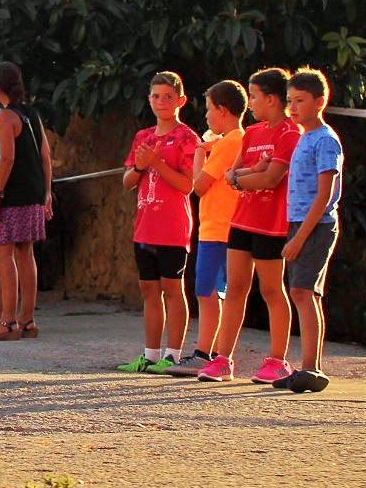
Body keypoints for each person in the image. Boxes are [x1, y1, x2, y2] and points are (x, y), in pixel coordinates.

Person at [200, 68, 299, 384]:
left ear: (271, 99)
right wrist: (247, 175)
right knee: (235, 288)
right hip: (242, 220)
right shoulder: (252, 133)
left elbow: (272, 178)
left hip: (271, 224)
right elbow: (233, 174)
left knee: (271, 289)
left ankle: (277, 360)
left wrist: (245, 177)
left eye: (254, 96)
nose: (251, 103)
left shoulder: (289, 133)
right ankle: (222, 359)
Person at [117, 72, 198, 372]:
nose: (161, 102)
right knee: (149, 289)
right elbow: (127, 181)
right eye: (155, 96)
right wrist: (140, 166)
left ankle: (173, 354)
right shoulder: (143, 136)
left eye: (167, 96)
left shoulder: (188, 138)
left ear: (181, 100)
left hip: (173, 228)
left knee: (172, 289)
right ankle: (150, 355)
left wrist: (157, 163)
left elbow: (187, 185)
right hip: (145, 226)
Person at [166, 80, 246, 376]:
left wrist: (200, 154)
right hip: (221, 227)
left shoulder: (229, 141)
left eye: (210, 109)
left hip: (219, 229)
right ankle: (213, 353)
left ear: (223, 111)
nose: (208, 116)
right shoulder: (234, 139)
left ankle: (205, 353)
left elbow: (198, 186)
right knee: (213, 291)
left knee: (207, 291)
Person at [276, 69, 342, 393]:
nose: (293, 107)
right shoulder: (304, 137)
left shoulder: (326, 140)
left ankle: (311, 367)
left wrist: (300, 237)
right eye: (290, 101)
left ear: (319, 101)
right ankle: (307, 366)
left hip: (317, 226)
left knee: (304, 292)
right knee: (301, 291)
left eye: (299, 101)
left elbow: (325, 194)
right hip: (299, 224)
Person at [0, 62, 53, 342]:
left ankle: (8, 321)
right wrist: (46, 192)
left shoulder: (5, 117)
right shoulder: (31, 114)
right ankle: (27, 320)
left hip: (14, 194)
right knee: (25, 254)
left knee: (2, 253)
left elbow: (7, 158)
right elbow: (45, 155)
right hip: (33, 192)